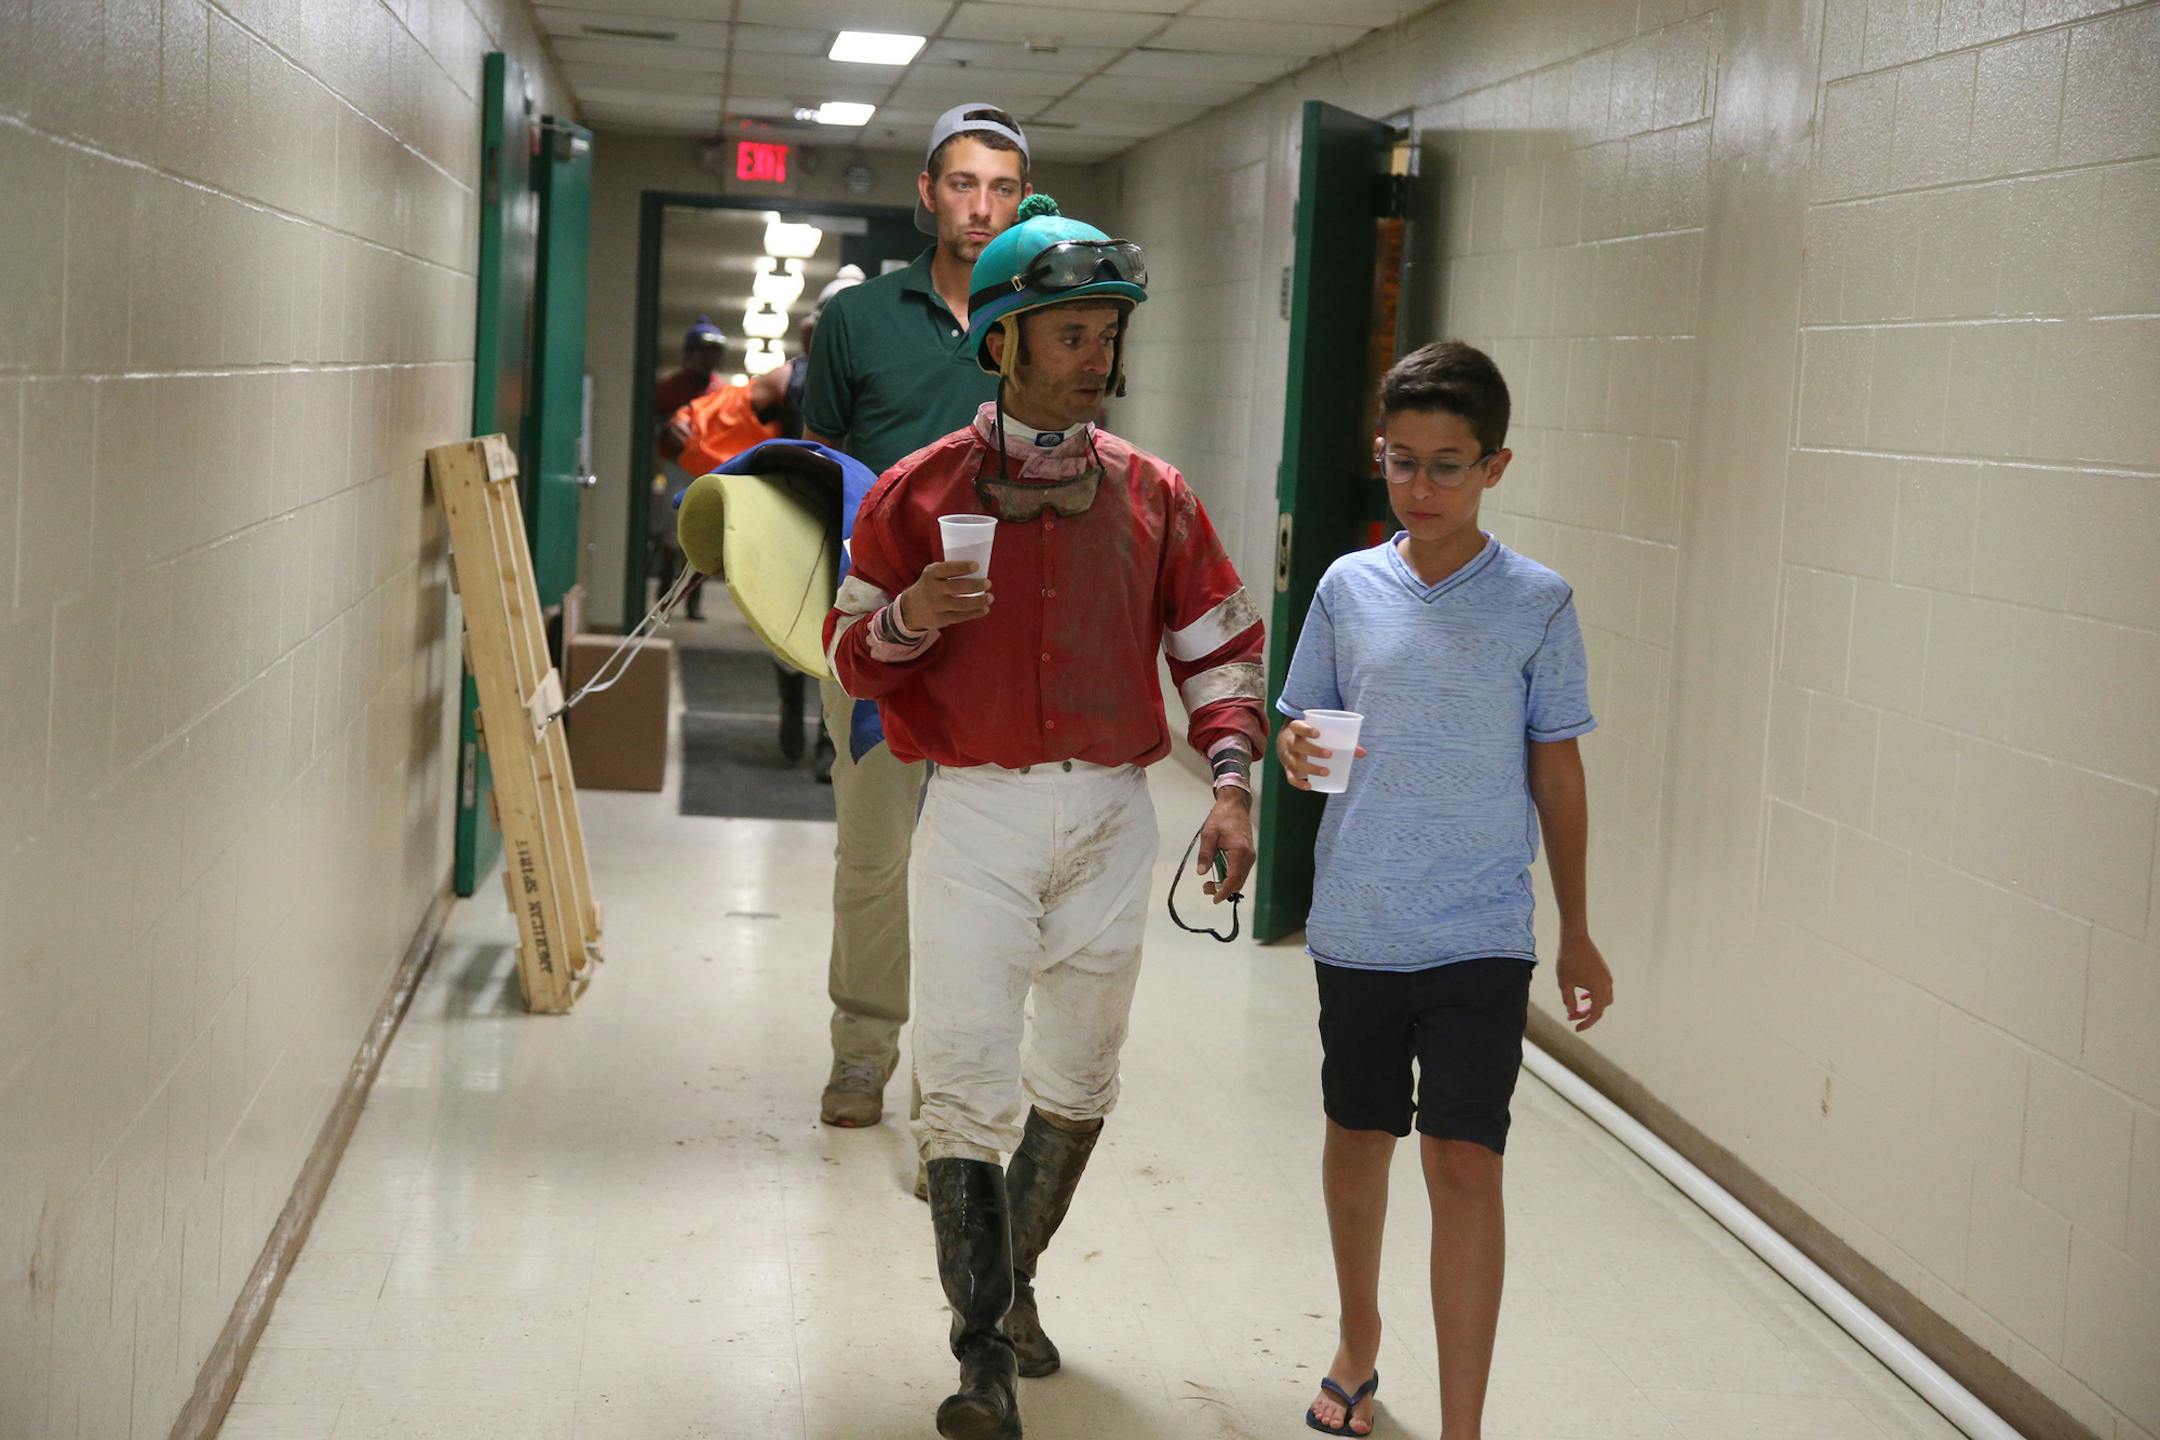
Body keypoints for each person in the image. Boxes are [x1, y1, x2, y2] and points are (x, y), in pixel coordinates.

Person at [825, 195, 1267, 1440]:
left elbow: (1221, 654)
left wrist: (1232, 787)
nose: (1097, 361)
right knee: (963, 1082)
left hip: (1115, 817)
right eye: (1071, 335)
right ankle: (982, 1361)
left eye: (1107, 336)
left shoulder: (1155, 497)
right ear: (1005, 341)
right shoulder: (918, 494)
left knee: (1080, 1074)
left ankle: (1010, 1295)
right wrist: (914, 616)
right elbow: (851, 655)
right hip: (974, 814)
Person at [1273, 341, 1616, 1437]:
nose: (1422, 488)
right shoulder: (1345, 587)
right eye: (1403, 462)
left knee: (1466, 1160)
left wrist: (1576, 932)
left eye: (1449, 466)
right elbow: (1308, 728)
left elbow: (1557, 774)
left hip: (1479, 928)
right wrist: (1294, 755)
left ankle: (1463, 1427)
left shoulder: (1536, 603)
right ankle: (1358, 1343)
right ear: (1382, 456)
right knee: (1358, 1139)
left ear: (1496, 467)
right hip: (1360, 923)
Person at [798, 104, 1034, 1132]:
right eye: (963, 184)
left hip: (1002, 633)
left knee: (992, 862)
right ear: (928, 193)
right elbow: (821, 476)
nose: (981, 207)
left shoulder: (1038, 313)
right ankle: (861, 1053)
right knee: (875, 854)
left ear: (1022, 201)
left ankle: (963, 1063)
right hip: (877, 623)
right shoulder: (858, 318)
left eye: (1003, 188)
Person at [652, 317, 728, 616]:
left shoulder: (720, 391)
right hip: (677, 466)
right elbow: (655, 421)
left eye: (713, 352)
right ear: (690, 353)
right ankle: (664, 596)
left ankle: (693, 603)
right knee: (673, 535)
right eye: (703, 351)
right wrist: (666, 430)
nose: (708, 358)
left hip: (708, 469)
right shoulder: (672, 387)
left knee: (702, 534)